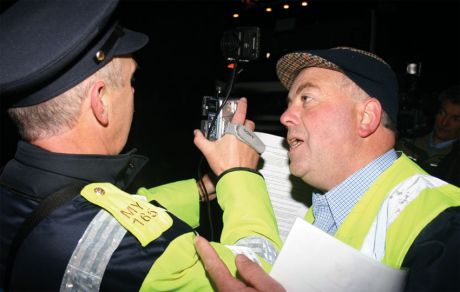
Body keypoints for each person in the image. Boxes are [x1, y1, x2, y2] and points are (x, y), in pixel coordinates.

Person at [0, 0, 282, 291]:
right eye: (129, 81)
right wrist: (239, 174)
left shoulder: (15, 186)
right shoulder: (158, 261)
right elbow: (262, 269)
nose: (134, 92)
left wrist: (199, 190)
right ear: (101, 102)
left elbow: (104, 211)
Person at [194, 47, 460, 292]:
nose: (285, 117)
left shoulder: (444, 226)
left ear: (366, 117)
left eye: (306, 98)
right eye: (289, 103)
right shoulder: (320, 211)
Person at [397, 85, 460, 182]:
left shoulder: (455, 161)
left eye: (455, 119)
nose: (444, 122)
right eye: (442, 113)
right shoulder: (407, 141)